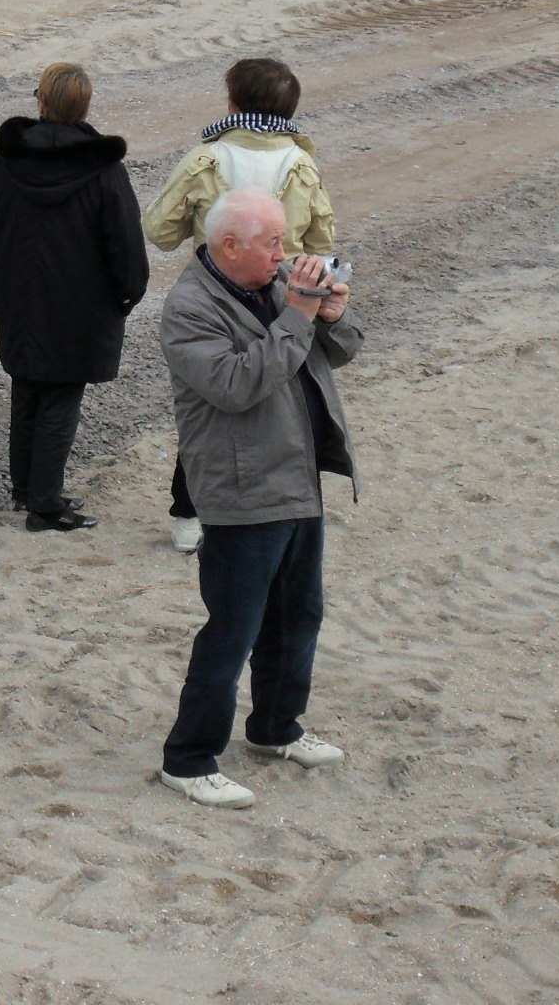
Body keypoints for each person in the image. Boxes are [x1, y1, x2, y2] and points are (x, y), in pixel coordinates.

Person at [156, 188, 361, 810]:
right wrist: (299, 314)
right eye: (272, 242)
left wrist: (330, 318)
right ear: (229, 246)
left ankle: (276, 728)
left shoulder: (273, 285)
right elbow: (237, 384)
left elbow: (337, 353)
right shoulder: (189, 308)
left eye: (283, 240)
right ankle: (188, 759)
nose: (284, 253)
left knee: (298, 614)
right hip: (242, 488)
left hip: (296, 477)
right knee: (234, 629)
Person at [144, 58, 337, 553]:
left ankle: (188, 513)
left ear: (233, 101)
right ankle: (283, 502)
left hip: (217, 294)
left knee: (210, 402)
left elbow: (159, 231)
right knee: (283, 398)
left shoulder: (206, 159)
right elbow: (322, 240)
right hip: (285, 297)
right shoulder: (302, 164)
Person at [0, 63, 148, 531]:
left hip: (20, 296)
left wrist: (3, 275)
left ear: (42, 101)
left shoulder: (6, 161)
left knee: (28, 387)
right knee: (60, 398)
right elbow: (126, 244)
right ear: (84, 107)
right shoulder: (104, 170)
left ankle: (26, 489)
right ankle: (45, 504)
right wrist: (128, 294)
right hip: (82, 304)